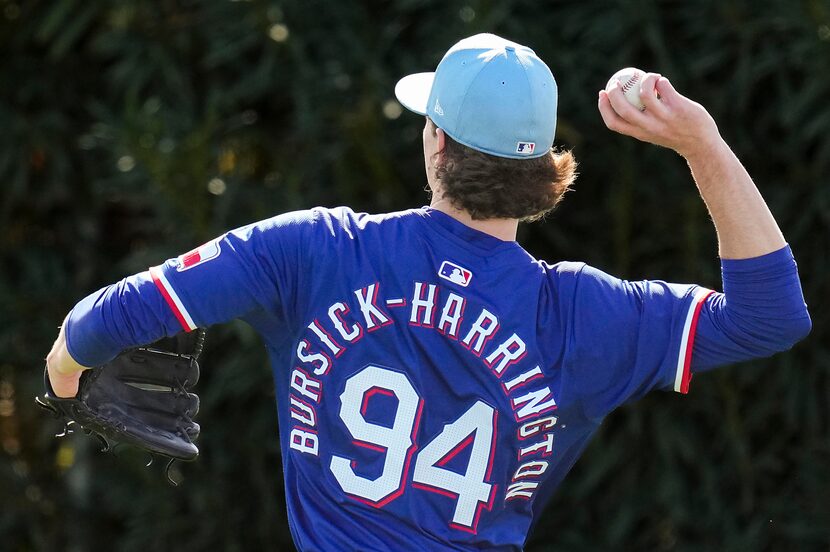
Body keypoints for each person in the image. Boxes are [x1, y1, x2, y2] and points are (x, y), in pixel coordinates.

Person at [45, 33, 810, 550]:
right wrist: (700, 142)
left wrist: (64, 370)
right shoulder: (581, 313)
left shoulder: (317, 249)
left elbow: (111, 315)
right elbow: (771, 316)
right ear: (543, 168)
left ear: (436, 141)